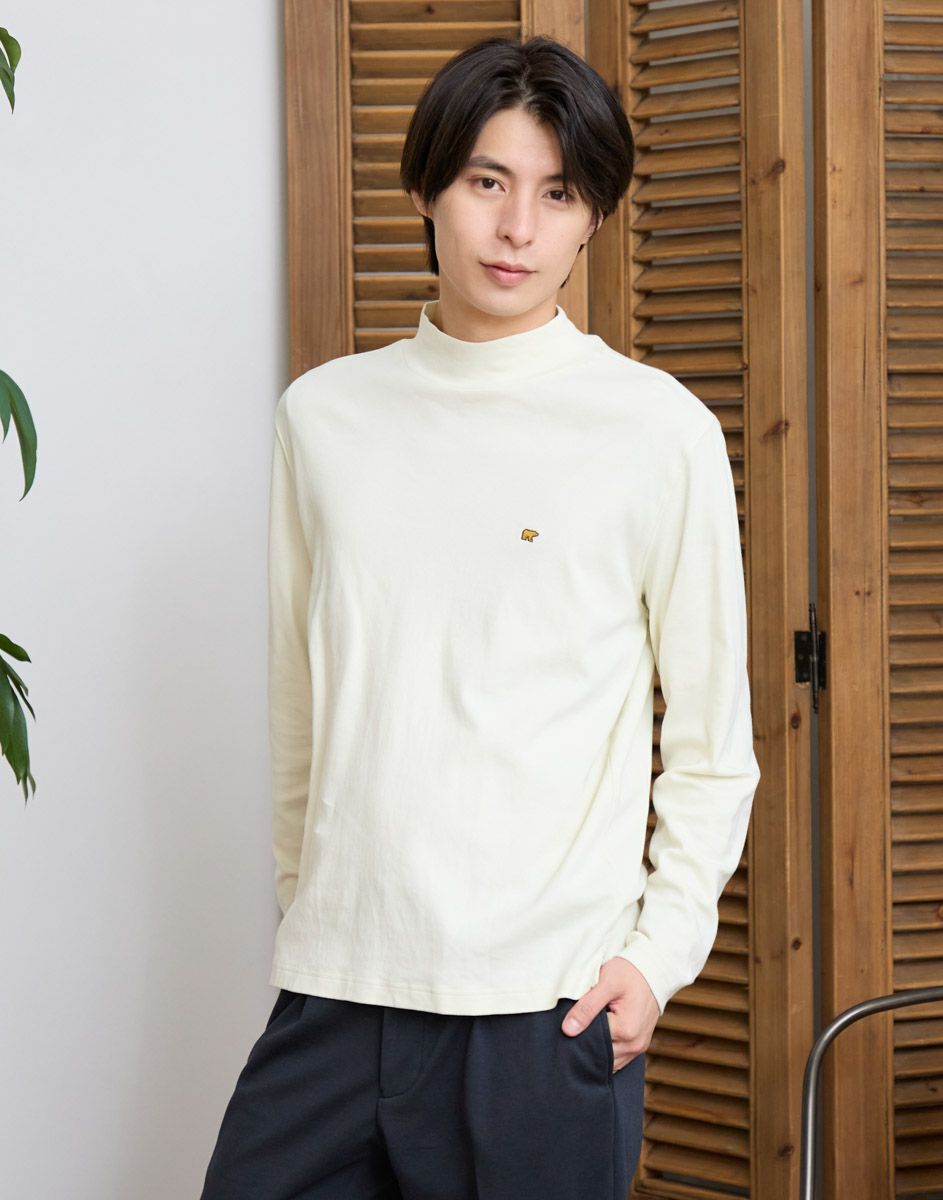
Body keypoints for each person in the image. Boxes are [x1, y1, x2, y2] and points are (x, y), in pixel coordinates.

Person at [199, 33, 761, 1200]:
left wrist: (657, 958)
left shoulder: (655, 430)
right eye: (486, 181)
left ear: (591, 217)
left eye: (556, 194)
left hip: (544, 1015)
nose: (516, 229)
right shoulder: (324, 418)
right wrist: (311, 906)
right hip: (337, 992)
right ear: (428, 188)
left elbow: (715, 745)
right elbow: (304, 702)